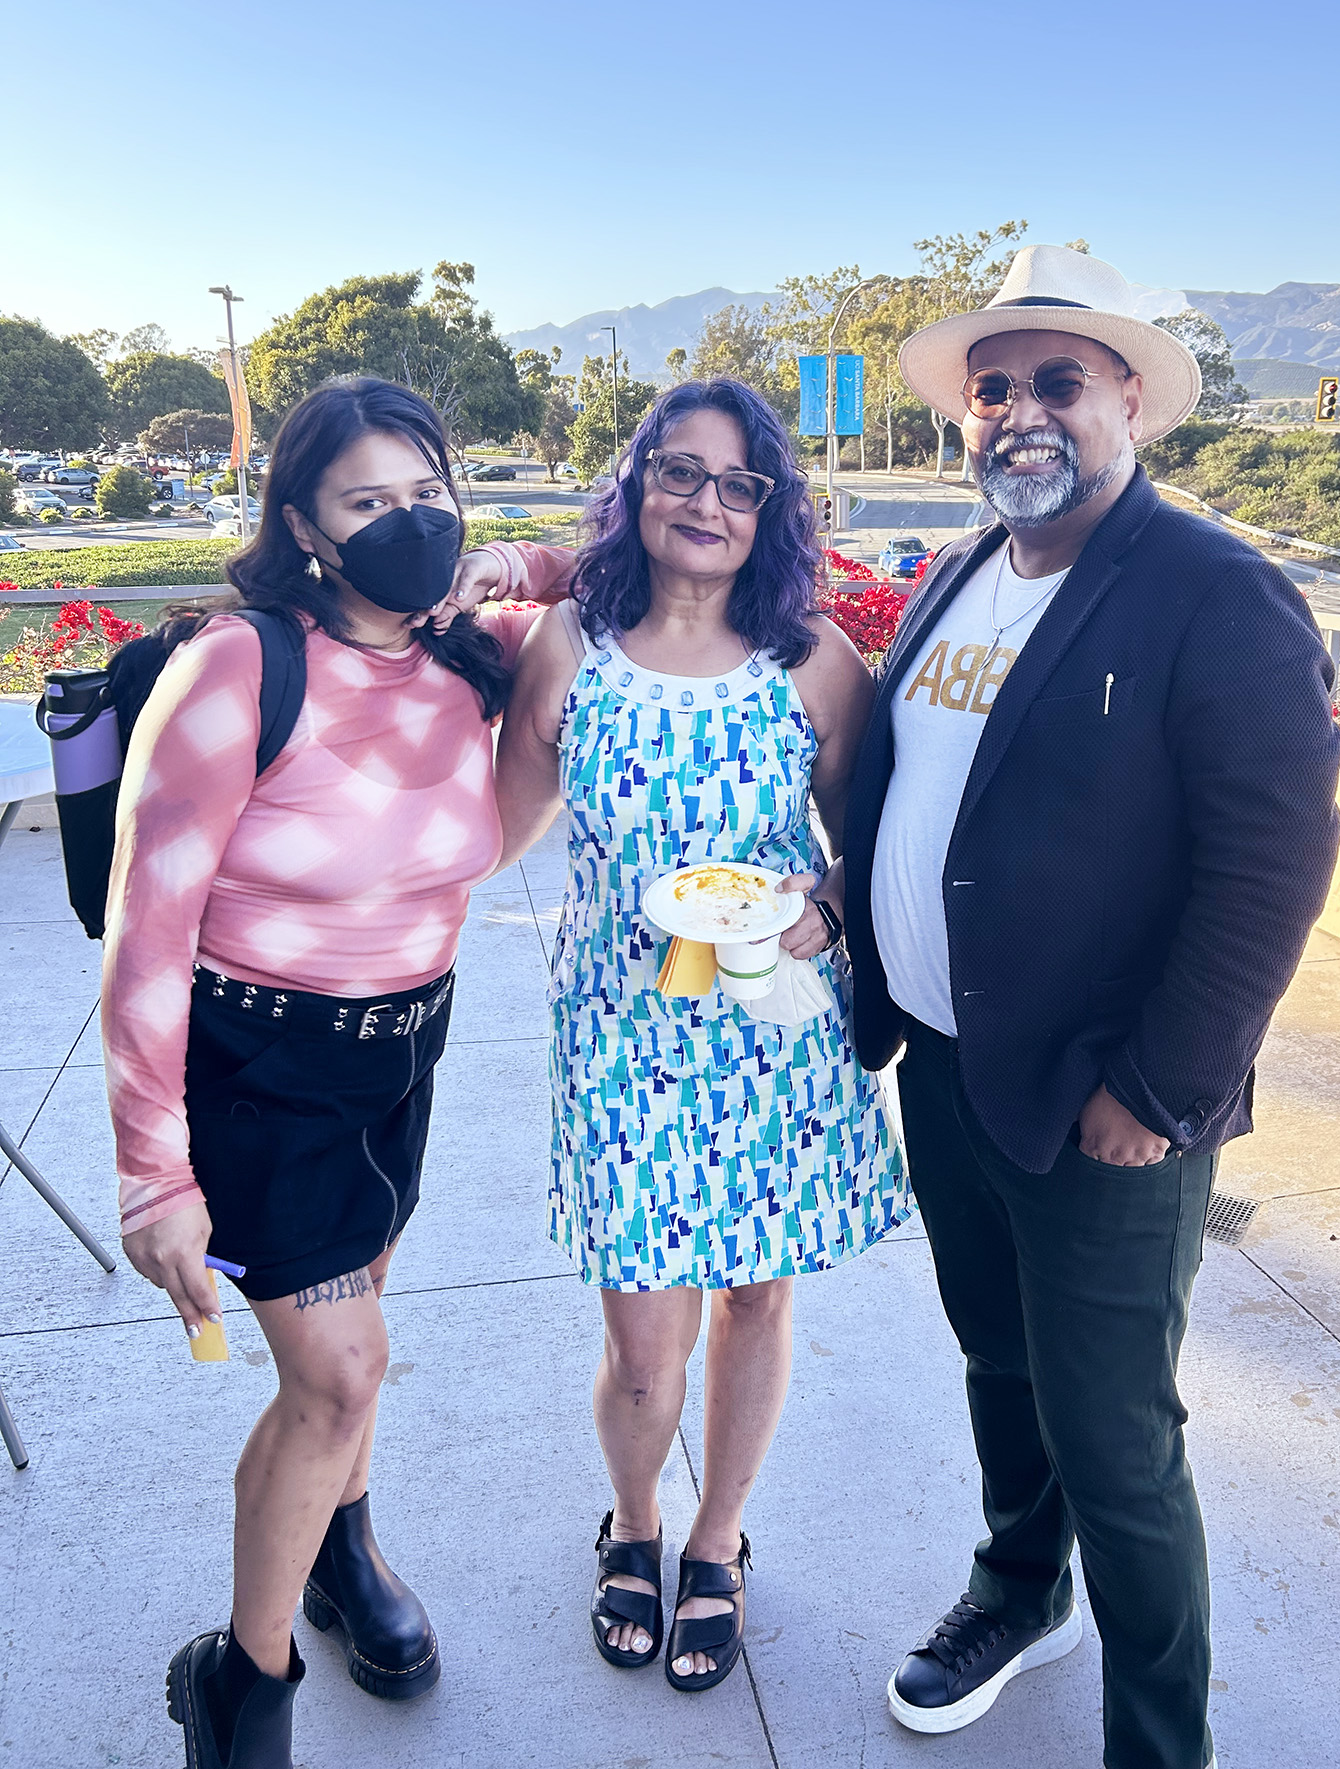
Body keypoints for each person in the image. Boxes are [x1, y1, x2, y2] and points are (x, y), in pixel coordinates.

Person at [840, 246, 1340, 1768]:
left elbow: (1272, 865)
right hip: (943, 1065)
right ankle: (1017, 1586)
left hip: (1105, 1101)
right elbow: (915, 791)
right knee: (1000, 1361)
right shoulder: (957, 573)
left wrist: (1164, 1088)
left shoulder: (1214, 592)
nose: (1018, 410)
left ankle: (1157, 1742)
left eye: (1057, 380)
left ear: (1130, 396)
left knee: (1119, 1443)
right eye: (994, 386)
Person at [104, 377, 572, 1769]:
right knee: (340, 1371)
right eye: (369, 501)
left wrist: (523, 566)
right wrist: (152, 1171)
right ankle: (241, 1687)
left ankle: (340, 1551)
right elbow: (147, 928)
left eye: (429, 495)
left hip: (403, 1052)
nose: (407, 525)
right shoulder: (242, 664)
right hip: (260, 1066)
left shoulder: (463, 655)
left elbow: (622, 559)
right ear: (303, 519)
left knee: (357, 1322)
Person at [492, 377, 909, 1692]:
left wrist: (823, 918)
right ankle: (632, 1522)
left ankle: (717, 1539)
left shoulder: (817, 666)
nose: (707, 503)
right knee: (641, 1342)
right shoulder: (570, 645)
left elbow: (872, 855)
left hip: (771, 1039)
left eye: (740, 484)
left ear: (770, 510)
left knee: (754, 1292)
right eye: (681, 471)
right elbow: (489, 834)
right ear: (638, 480)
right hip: (620, 1042)